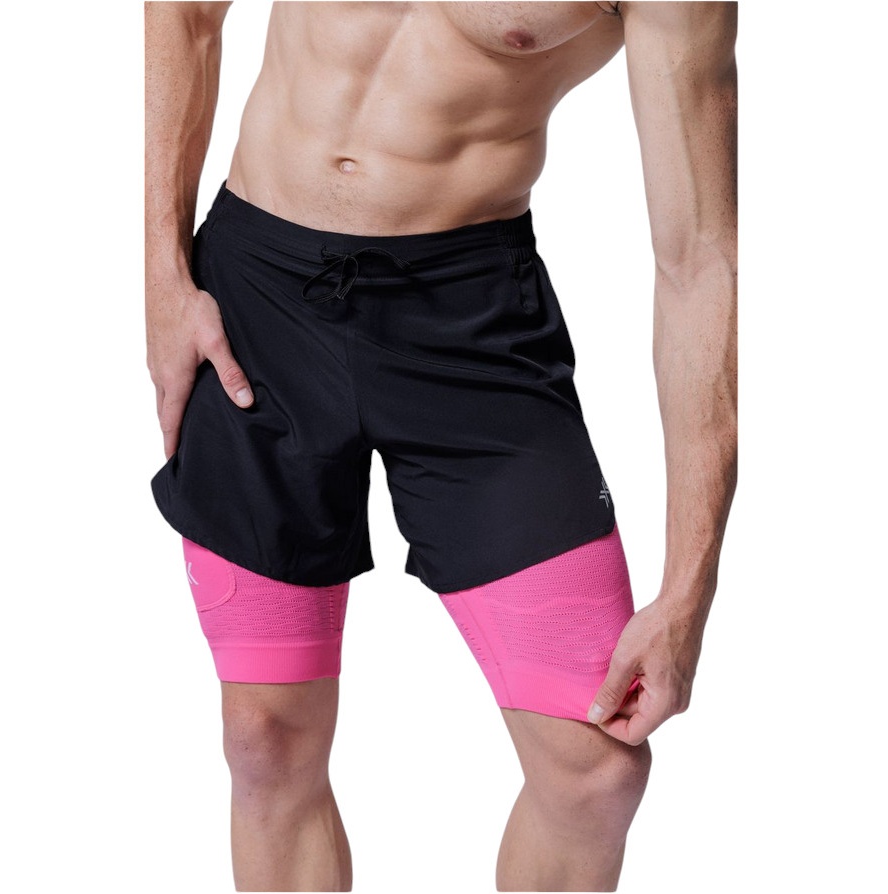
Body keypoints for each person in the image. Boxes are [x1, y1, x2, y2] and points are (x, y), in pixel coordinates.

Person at [145, 1, 737, 890]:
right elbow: (187, 11)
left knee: (595, 774)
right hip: (257, 299)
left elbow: (698, 261)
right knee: (264, 738)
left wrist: (690, 587)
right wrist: (162, 274)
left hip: (469, 322)